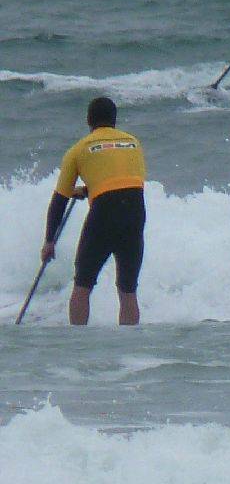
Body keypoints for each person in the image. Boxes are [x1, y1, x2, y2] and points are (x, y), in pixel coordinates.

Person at [40, 97, 146, 326]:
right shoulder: (133, 143)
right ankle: (130, 349)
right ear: (115, 121)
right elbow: (123, 182)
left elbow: (60, 199)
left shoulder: (79, 149)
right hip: (135, 213)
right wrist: (90, 190)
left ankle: (77, 342)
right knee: (128, 288)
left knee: (83, 284)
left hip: (104, 215)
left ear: (88, 120)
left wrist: (49, 241)